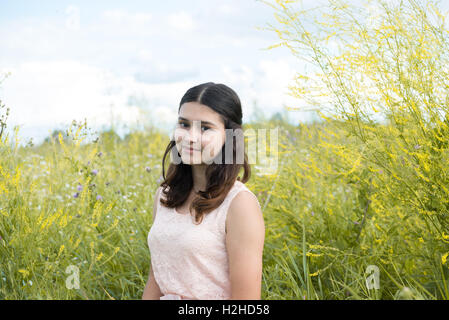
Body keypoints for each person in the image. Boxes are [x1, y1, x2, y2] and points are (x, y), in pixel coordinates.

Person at [142, 82, 265, 300]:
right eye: (184, 124)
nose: (190, 137)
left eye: (205, 128)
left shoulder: (239, 204)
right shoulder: (164, 196)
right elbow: (157, 274)